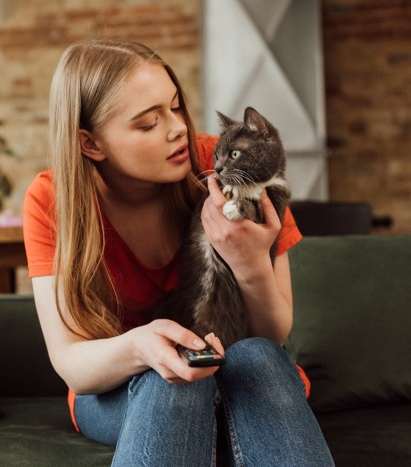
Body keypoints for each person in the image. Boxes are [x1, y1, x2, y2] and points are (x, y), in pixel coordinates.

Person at [23, 38, 333, 466]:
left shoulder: (222, 162)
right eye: (148, 124)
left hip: (242, 367)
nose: (178, 130)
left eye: (175, 107)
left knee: (260, 356)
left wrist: (249, 265)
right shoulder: (53, 200)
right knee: (170, 379)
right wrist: (140, 347)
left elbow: (272, 333)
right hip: (118, 388)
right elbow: (72, 363)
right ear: (90, 144)